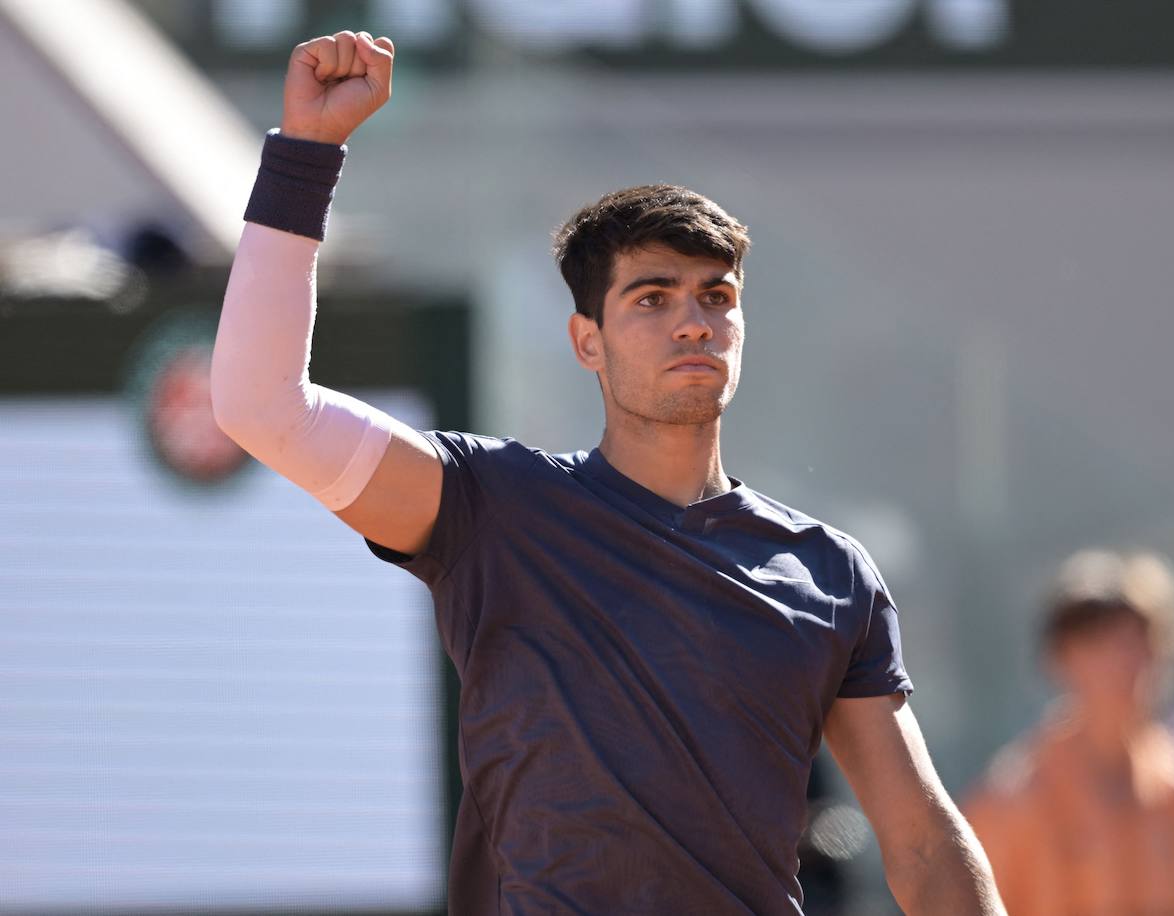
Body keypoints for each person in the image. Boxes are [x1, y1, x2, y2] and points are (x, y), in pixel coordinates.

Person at [209, 30, 1004, 916]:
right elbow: (260, 405)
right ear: (587, 340)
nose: (694, 322)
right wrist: (307, 154)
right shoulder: (492, 507)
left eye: (717, 296)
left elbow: (925, 843)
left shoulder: (828, 572)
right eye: (652, 297)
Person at [962, 549, 1174, 916]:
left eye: (1137, 640)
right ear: (1060, 659)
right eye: (1099, 644)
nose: (1124, 662)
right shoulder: (1010, 803)